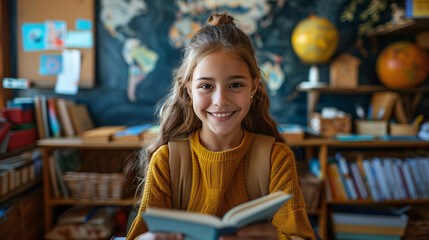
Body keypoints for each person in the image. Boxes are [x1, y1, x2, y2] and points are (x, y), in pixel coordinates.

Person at [127, 13, 316, 240]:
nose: (220, 100)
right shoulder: (166, 160)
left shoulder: (276, 158)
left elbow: (300, 236)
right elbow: (139, 236)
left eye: (235, 84)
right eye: (206, 85)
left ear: (253, 88)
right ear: (189, 90)